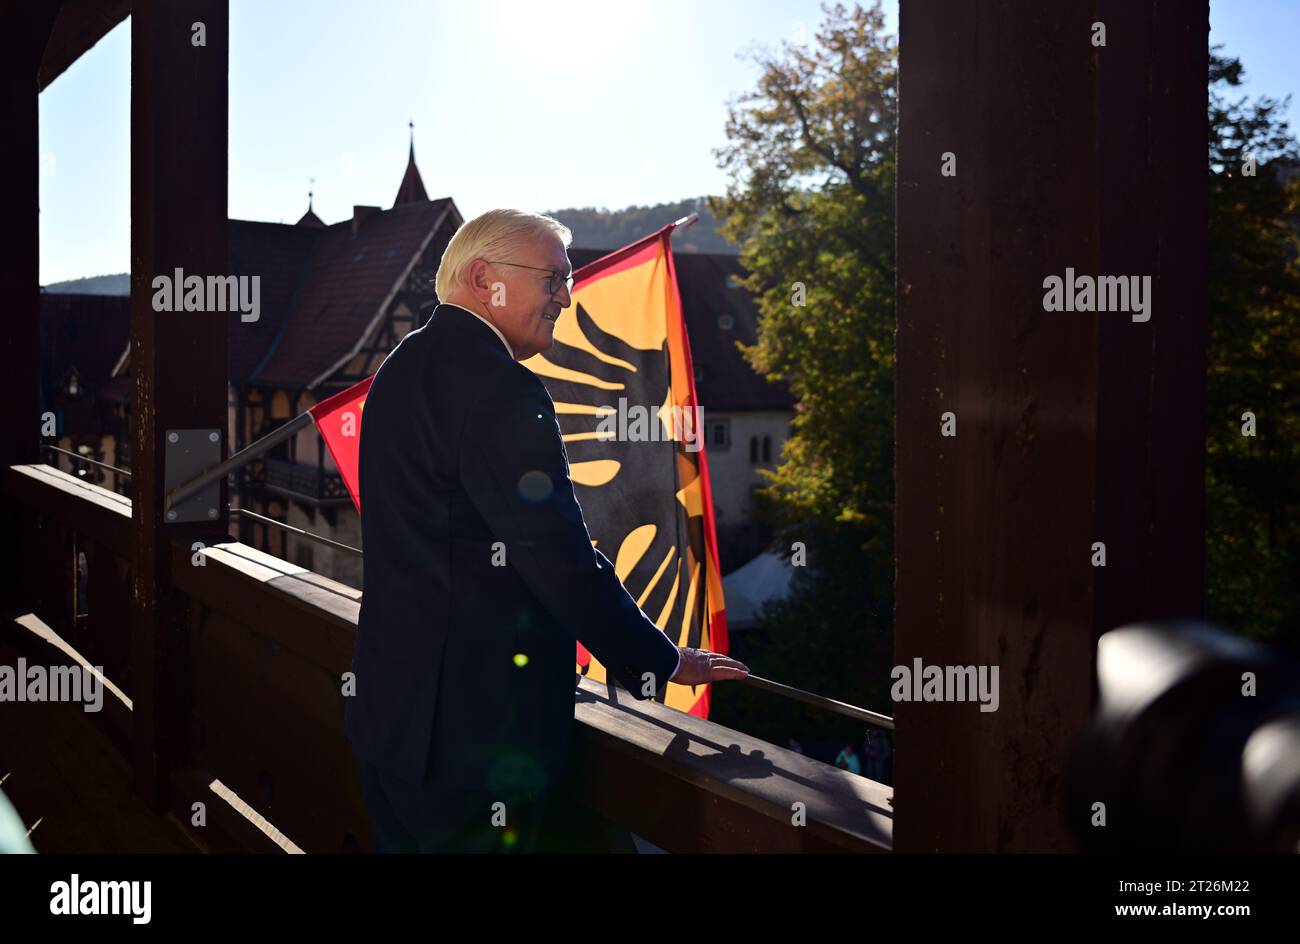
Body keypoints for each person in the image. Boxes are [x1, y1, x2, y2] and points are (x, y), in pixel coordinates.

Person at [345, 209, 749, 853]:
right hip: (476, 748)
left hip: (391, 721)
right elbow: (559, 559)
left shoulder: (399, 367)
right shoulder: (502, 388)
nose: (567, 295)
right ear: (483, 278)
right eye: (553, 279)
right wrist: (663, 660)